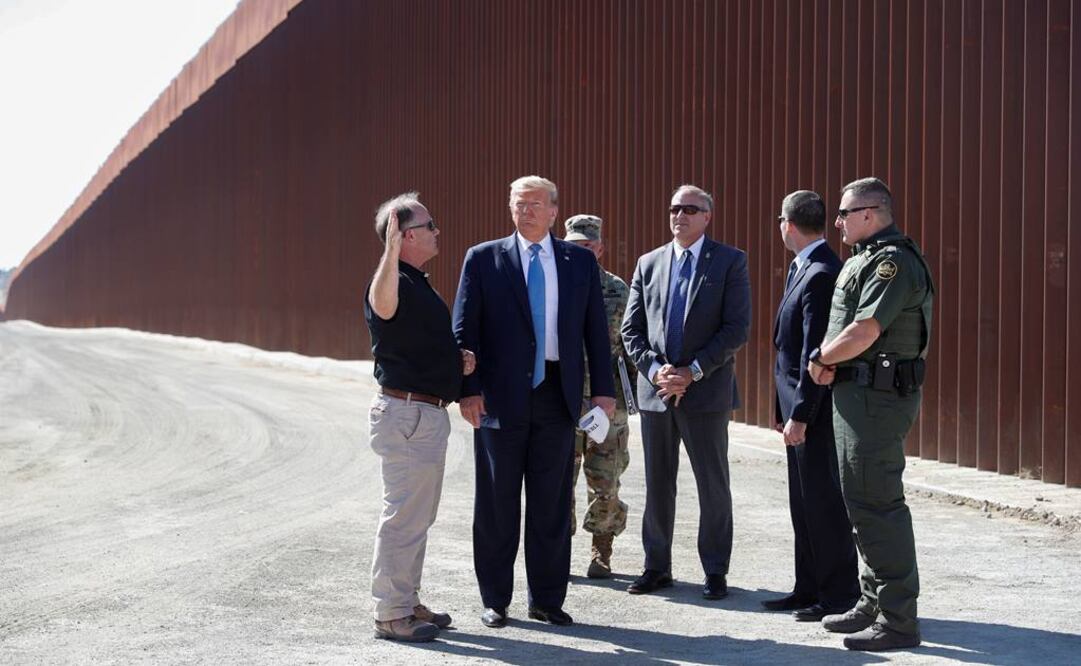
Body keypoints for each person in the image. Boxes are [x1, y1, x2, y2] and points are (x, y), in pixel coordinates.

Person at [452, 176, 616, 628]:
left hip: (556, 398)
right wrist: (468, 390)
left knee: (550, 503)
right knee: (497, 503)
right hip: (498, 401)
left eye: (534, 204)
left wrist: (603, 393)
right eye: (518, 204)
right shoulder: (484, 259)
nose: (525, 211)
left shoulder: (577, 263)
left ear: (553, 212)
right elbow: (464, 331)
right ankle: (495, 600)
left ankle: (546, 599)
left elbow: (595, 334)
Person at [808, 177, 934, 652]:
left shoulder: (892, 262)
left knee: (879, 503)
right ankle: (873, 601)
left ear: (870, 212)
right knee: (861, 500)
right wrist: (831, 365)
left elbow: (864, 330)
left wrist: (823, 360)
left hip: (878, 400)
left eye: (844, 213)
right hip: (855, 395)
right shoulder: (863, 258)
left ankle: (900, 619)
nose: (837, 221)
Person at [620, 184, 751, 600]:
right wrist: (659, 370)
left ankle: (715, 570)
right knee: (658, 485)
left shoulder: (730, 262)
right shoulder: (649, 262)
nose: (680, 215)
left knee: (712, 485)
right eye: (675, 208)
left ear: (707, 217)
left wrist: (692, 372)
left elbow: (736, 329)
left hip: (706, 392)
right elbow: (630, 329)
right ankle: (656, 567)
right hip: (657, 391)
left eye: (691, 209)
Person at [364, 192, 476, 642]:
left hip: (424, 413)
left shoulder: (417, 282)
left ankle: (407, 601)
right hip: (408, 413)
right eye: (429, 226)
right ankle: (391, 614)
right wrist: (389, 251)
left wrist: (456, 361)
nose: (437, 231)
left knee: (418, 516)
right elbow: (383, 307)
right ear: (405, 235)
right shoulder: (391, 282)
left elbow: (419, 343)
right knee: (403, 517)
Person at [763, 190, 859, 621]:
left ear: (788, 223)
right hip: (798, 410)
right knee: (803, 504)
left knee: (824, 505)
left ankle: (838, 594)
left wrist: (800, 414)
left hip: (815, 413)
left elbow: (814, 354)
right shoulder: (803, 267)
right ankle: (808, 588)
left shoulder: (821, 273)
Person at [563, 214, 634, 579]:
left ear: (601, 248)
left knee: (606, 479)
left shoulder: (618, 290)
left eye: (588, 246)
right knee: (560, 480)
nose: (582, 252)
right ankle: (558, 547)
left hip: (608, 404)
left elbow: (632, 344)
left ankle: (601, 550)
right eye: (575, 246)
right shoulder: (554, 286)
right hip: (563, 402)